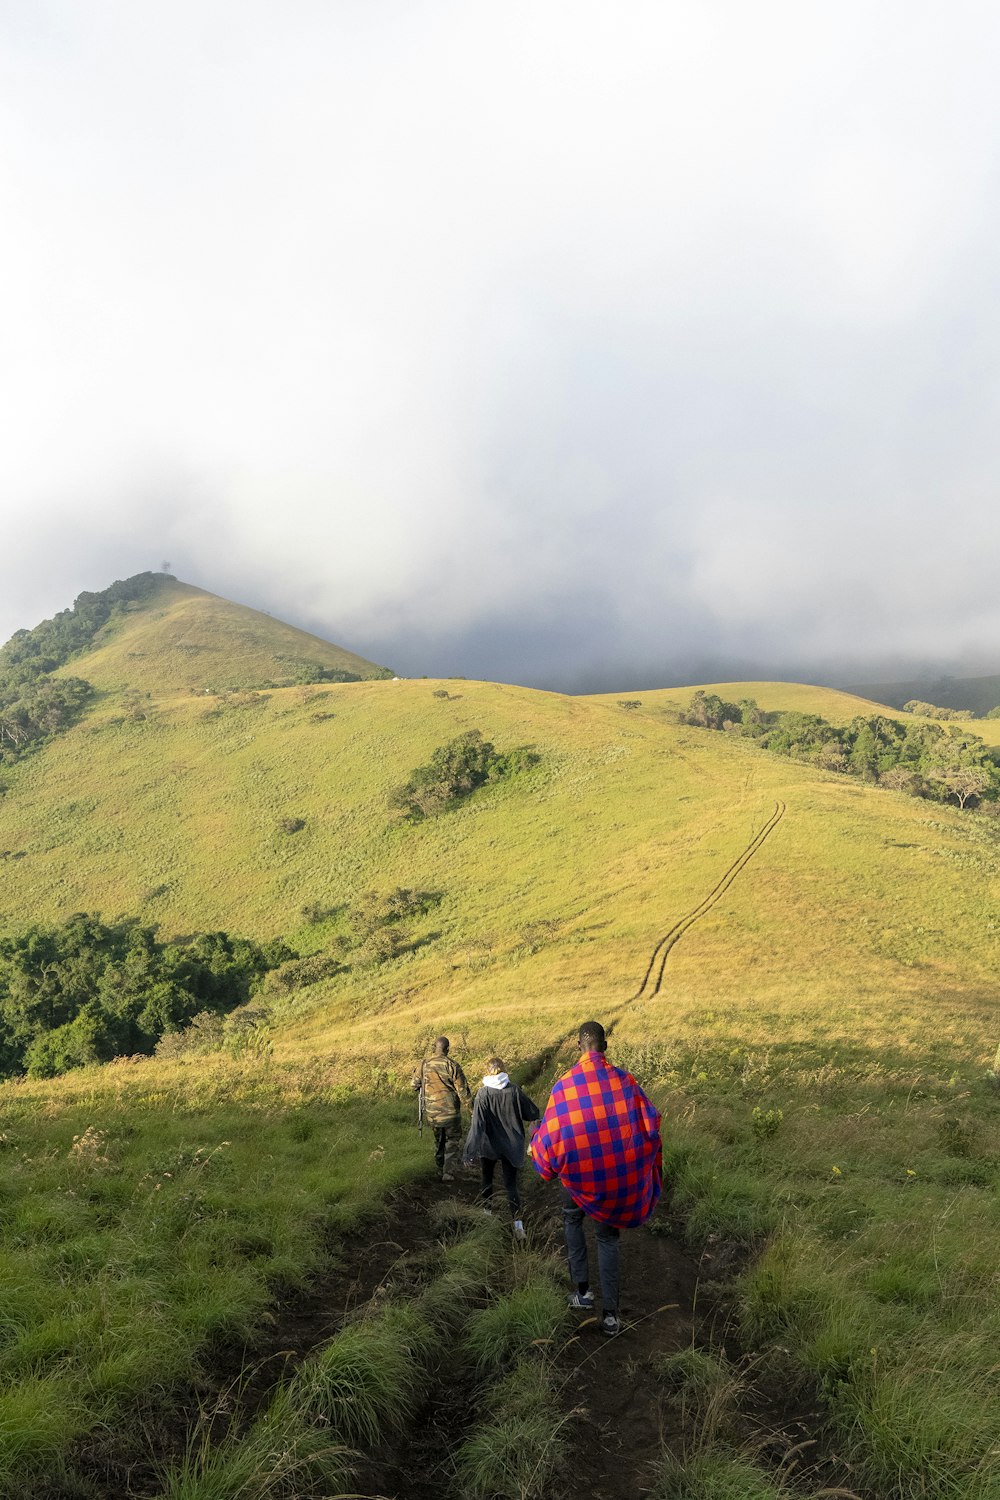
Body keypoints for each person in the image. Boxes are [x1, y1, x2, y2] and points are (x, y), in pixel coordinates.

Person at [529, 1020, 661, 1336]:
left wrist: (536, 1141)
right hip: (614, 1180)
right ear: (605, 1046)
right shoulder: (626, 1082)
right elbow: (650, 1124)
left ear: (580, 1047)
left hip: (576, 1181)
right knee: (607, 1238)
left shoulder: (565, 1086)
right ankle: (611, 1316)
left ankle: (583, 1293)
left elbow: (550, 1137)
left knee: (572, 1221)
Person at [462, 1056, 540, 1240]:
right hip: (512, 1144)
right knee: (511, 1185)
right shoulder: (514, 1090)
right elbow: (533, 1113)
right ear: (504, 1070)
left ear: (486, 1072)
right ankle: (518, 1226)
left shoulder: (482, 1094)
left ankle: (486, 1218)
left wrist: (469, 1153)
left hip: (489, 1146)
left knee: (487, 1180)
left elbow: (478, 1126)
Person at [412, 1036, 472, 1182]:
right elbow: (463, 1091)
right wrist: (472, 1110)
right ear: (447, 1049)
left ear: (434, 1047)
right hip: (451, 1112)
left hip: (432, 1113)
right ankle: (448, 1172)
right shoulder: (452, 1065)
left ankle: (439, 1167)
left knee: (438, 1140)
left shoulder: (424, 1064)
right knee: (452, 1141)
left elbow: (414, 1085)